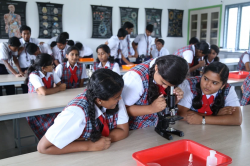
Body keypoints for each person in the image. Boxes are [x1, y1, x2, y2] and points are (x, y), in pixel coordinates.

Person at [37, 69, 129, 154]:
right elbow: (43, 147)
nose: (120, 99)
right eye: (117, 97)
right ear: (99, 100)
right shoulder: (76, 113)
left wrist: (100, 141)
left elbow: (123, 131)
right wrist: (89, 145)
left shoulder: (114, 96)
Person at [122, 55, 188, 129]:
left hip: (156, 126)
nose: (165, 87)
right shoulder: (135, 78)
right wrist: (151, 108)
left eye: (170, 85)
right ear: (156, 68)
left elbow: (164, 105)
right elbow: (122, 110)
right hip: (138, 131)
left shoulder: (172, 71)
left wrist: (174, 100)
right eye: (163, 82)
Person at [177, 62, 242, 126]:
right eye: (205, 79)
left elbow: (237, 119)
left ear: (222, 85)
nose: (207, 85)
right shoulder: (188, 84)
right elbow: (182, 114)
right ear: (202, 75)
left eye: (214, 83)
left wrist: (202, 119)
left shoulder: (228, 89)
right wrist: (216, 115)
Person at [25, 53, 66, 139]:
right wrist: (57, 89)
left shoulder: (51, 72)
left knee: (64, 116)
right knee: (57, 123)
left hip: (49, 104)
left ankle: (59, 139)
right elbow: (45, 92)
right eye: (51, 65)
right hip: (37, 111)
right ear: (43, 68)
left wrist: (49, 90)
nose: (53, 66)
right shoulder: (34, 75)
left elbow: (62, 85)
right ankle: (50, 140)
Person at [18, 25, 40, 93]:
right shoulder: (18, 43)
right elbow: (14, 56)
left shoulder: (35, 41)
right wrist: (19, 51)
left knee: (35, 84)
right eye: (24, 34)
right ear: (21, 34)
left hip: (33, 66)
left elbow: (39, 53)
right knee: (25, 85)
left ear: (30, 34)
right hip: (23, 67)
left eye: (28, 33)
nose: (26, 35)